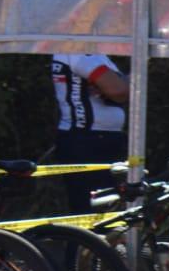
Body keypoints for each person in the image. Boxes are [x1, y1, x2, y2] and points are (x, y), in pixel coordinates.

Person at [50, 52, 128, 212]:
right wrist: (122, 84)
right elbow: (119, 90)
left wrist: (117, 85)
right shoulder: (78, 52)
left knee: (113, 208)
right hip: (87, 140)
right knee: (94, 210)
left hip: (100, 138)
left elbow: (121, 89)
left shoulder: (92, 54)